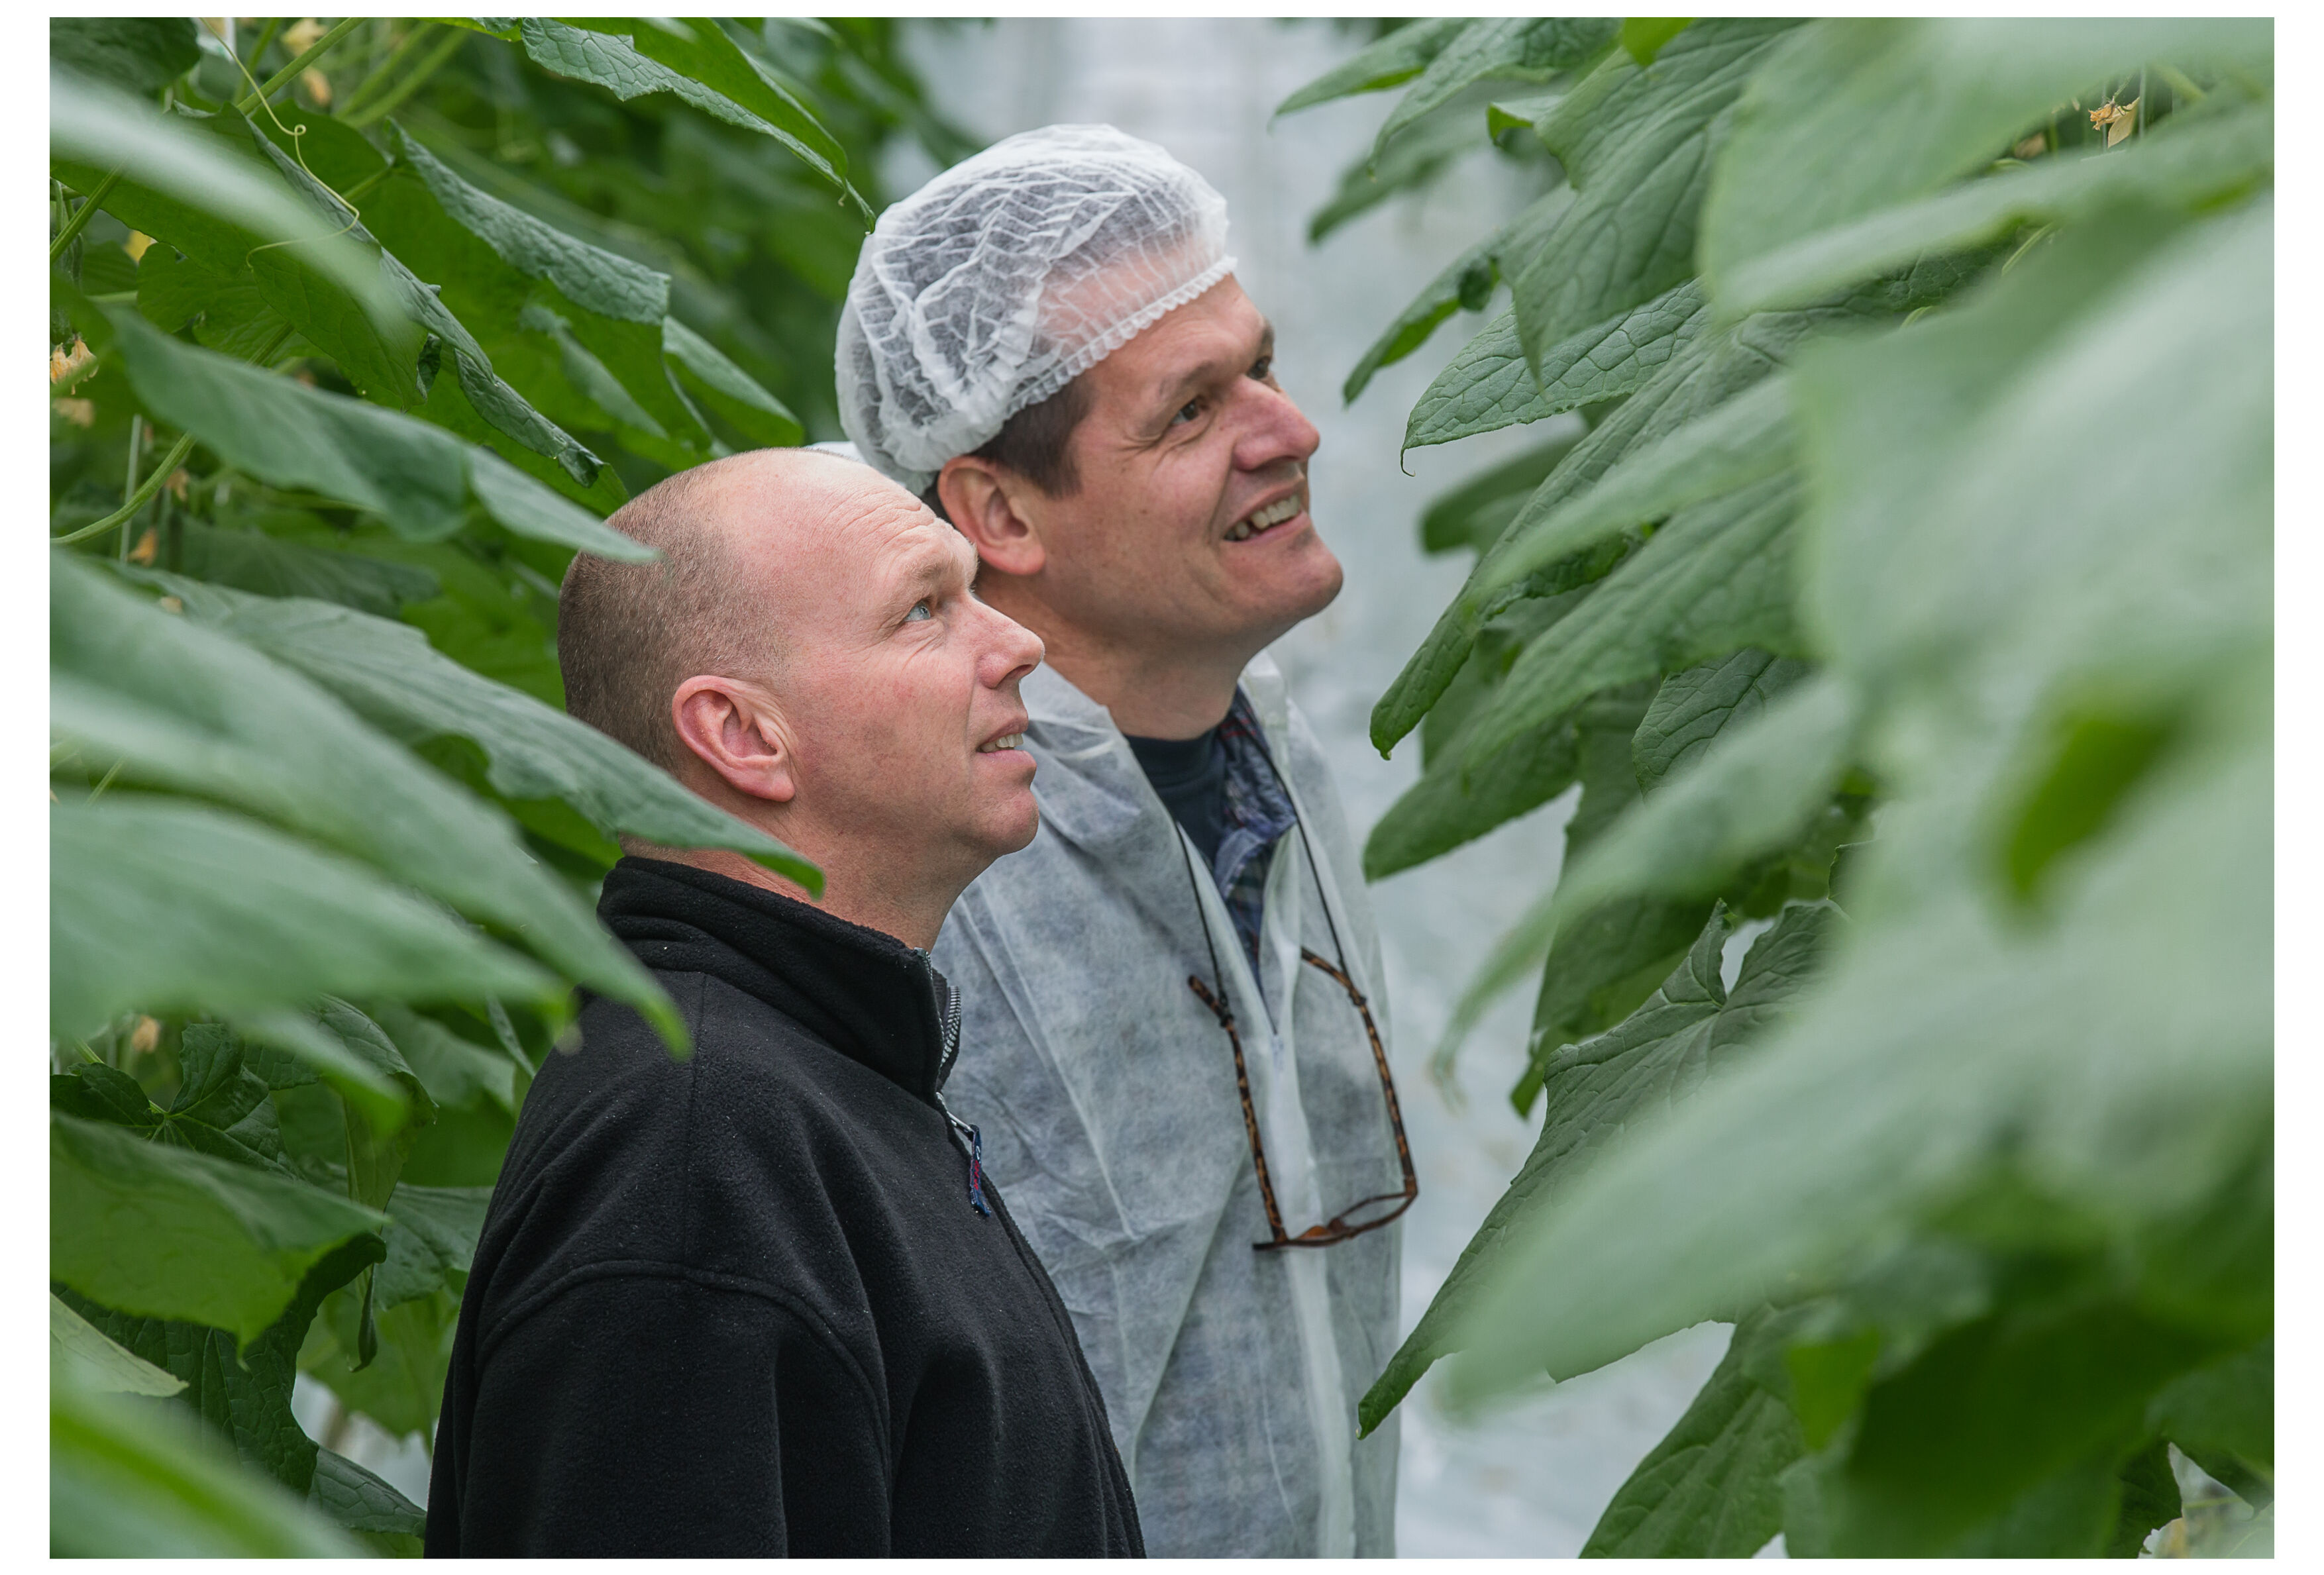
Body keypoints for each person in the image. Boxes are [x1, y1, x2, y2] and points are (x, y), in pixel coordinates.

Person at [835, 125, 1412, 1558]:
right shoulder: (933, 878)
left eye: (1260, 369)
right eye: (1191, 410)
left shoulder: (1270, 758)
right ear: (997, 511)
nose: (1287, 432)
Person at [424, 448, 1143, 1558]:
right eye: (925, 610)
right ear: (745, 735)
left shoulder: (809, 1082)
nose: (1019, 643)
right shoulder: (695, 1157)